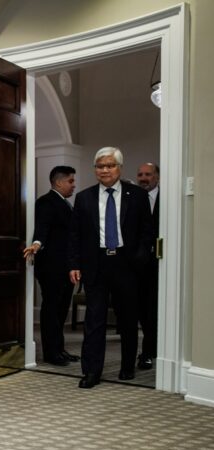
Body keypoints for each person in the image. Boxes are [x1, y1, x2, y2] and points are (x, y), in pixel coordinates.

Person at [68, 147, 153, 388]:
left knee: (127, 318)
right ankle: (91, 372)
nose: (104, 170)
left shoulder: (136, 195)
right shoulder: (83, 197)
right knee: (94, 320)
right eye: (99, 166)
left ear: (119, 168)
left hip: (127, 264)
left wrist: (138, 259)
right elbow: (75, 235)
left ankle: (127, 366)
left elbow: (147, 232)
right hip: (95, 264)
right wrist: (74, 264)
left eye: (109, 165)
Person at [24, 166, 80, 366]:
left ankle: (60, 349)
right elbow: (42, 228)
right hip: (51, 268)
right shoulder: (46, 202)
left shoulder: (65, 204)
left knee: (61, 310)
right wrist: (37, 244)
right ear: (58, 182)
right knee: (52, 310)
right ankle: (51, 353)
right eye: (71, 181)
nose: (74, 185)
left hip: (66, 267)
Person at [136, 162, 160, 370]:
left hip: (162, 265)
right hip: (137, 265)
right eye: (140, 174)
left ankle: (151, 351)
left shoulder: (166, 198)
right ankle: (146, 352)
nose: (144, 178)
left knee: (155, 310)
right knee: (143, 310)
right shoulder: (133, 198)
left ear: (157, 177)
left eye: (148, 174)